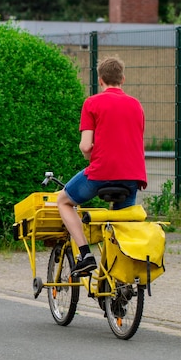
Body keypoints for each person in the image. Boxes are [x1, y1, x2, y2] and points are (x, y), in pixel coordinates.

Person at [57, 55, 147, 275]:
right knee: (122, 226)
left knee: (63, 201)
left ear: (100, 80)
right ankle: (120, 282)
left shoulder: (92, 103)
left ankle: (86, 255)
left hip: (101, 173)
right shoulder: (136, 105)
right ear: (122, 79)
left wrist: (92, 155)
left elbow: (86, 146)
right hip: (132, 177)